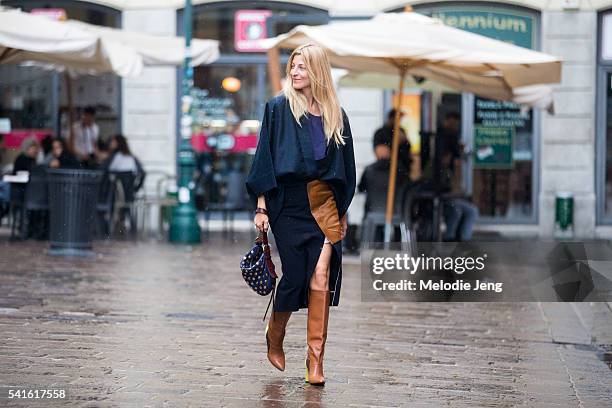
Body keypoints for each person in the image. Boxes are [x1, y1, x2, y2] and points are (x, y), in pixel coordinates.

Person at [245, 44, 356, 386]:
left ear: (317, 72)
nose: (294, 73)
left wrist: (342, 212)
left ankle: (315, 360)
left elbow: (346, 169)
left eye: (302, 68)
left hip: (325, 204)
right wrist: (262, 206)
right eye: (293, 66)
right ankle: (275, 332)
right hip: (288, 205)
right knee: (294, 275)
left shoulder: (336, 114)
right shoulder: (278, 108)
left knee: (321, 276)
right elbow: (264, 156)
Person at [372, 109, 412, 178]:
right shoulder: (381, 132)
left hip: (402, 167)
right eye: (397, 119)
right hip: (386, 169)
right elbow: (381, 150)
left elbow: (407, 148)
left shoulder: (400, 131)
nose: (399, 122)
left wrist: (405, 140)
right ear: (391, 118)